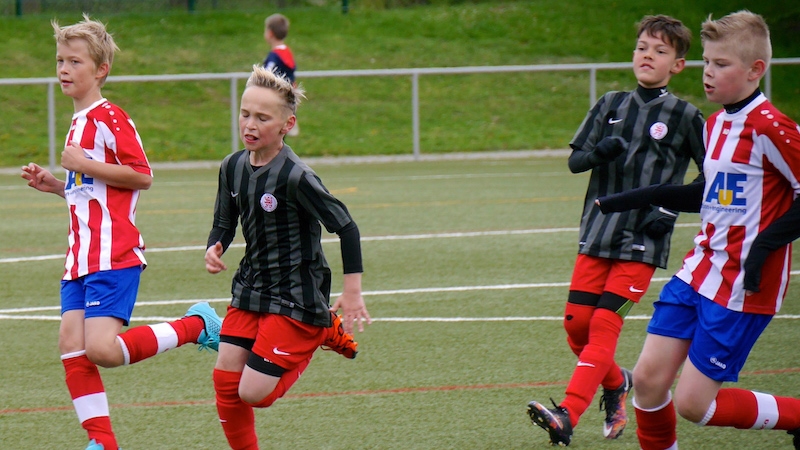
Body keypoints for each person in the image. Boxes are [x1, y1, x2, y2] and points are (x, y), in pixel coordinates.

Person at [595, 10, 800, 450]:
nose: (708, 72)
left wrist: (762, 249)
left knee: (694, 404)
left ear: (755, 70)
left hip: (743, 285)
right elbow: (704, 194)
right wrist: (634, 197)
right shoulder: (714, 124)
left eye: (721, 64)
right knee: (648, 381)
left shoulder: (771, 127)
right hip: (699, 270)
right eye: (706, 61)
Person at [20, 15, 221, 450]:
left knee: (103, 351)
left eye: (75, 61)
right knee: (71, 343)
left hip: (113, 254)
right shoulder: (78, 121)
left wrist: (84, 164)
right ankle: (102, 441)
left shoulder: (110, 117)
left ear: (101, 70)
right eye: (60, 60)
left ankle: (195, 324)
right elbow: (92, 191)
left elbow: (142, 175)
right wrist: (56, 185)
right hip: (79, 257)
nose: (64, 69)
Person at [526, 15, 706, 446]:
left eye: (660, 51)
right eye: (642, 47)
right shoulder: (610, 104)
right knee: (577, 328)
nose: (648, 56)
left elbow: (710, 179)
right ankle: (616, 382)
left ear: (678, 65)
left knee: (604, 325)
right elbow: (575, 162)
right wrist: (597, 154)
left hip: (643, 239)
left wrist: (667, 208)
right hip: (598, 230)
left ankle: (568, 413)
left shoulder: (686, 116)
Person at [205, 64, 371, 450]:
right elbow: (224, 222)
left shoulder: (297, 177)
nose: (250, 124)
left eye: (262, 118)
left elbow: (346, 227)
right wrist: (215, 245)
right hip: (251, 286)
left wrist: (353, 291)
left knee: (254, 393)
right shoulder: (232, 166)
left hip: (296, 295)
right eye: (245, 114)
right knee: (226, 380)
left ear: (287, 124)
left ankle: (322, 329)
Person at [262, 13, 299, 136]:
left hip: (275, 99)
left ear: (270, 33)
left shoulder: (275, 56)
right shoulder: (287, 52)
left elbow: (266, 75)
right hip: (286, 98)